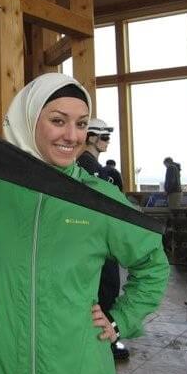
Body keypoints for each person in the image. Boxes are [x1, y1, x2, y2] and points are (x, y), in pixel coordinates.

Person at [0, 73, 169, 374]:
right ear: (28, 120)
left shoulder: (99, 198)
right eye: (58, 121)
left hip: (79, 372)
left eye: (82, 124)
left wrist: (121, 319)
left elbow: (153, 264)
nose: (72, 136)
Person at [77, 118, 129, 361]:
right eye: (104, 137)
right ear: (91, 137)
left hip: (99, 241)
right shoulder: (87, 168)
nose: (107, 142)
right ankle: (105, 342)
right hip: (94, 242)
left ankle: (107, 339)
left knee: (106, 292)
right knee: (103, 293)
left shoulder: (96, 169)